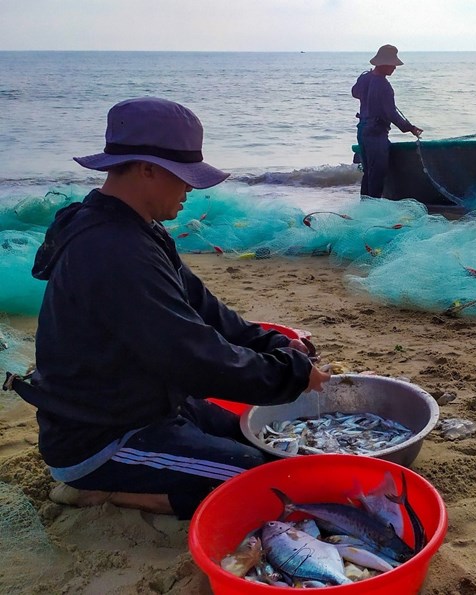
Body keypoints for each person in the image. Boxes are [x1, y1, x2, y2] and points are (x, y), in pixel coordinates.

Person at [5, 97, 331, 519]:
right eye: (185, 177)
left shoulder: (137, 228)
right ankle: (101, 491)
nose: (191, 190)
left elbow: (204, 308)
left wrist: (275, 344)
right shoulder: (111, 250)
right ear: (147, 169)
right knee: (263, 479)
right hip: (101, 437)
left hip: (146, 403)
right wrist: (290, 375)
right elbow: (192, 358)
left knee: (259, 438)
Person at [352, 44, 423, 198]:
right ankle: (373, 208)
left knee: (368, 172)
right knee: (377, 173)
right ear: (383, 64)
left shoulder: (365, 77)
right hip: (376, 133)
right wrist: (410, 128)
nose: (394, 68)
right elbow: (391, 114)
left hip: (362, 130)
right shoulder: (384, 85)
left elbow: (355, 93)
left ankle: (364, 206)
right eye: (392, 65)